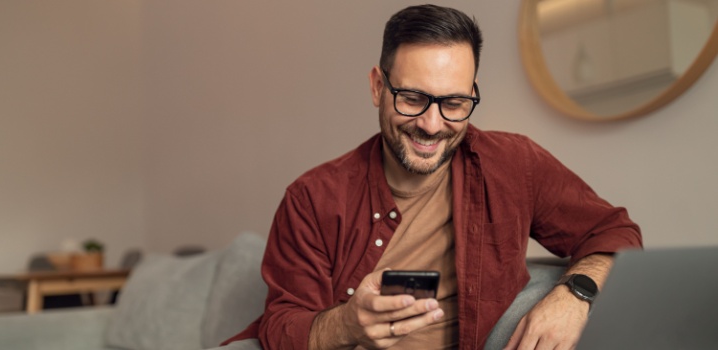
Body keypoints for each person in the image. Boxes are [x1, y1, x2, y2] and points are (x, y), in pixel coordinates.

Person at [226, 4, 642, 350]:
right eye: (412, 98)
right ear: (377, 87)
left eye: (455, 103)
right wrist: (348, 325)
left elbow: (614, 231)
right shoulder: (312, 198)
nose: (431, 124)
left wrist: (575, 296)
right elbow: (282, 324)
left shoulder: (514, 163)